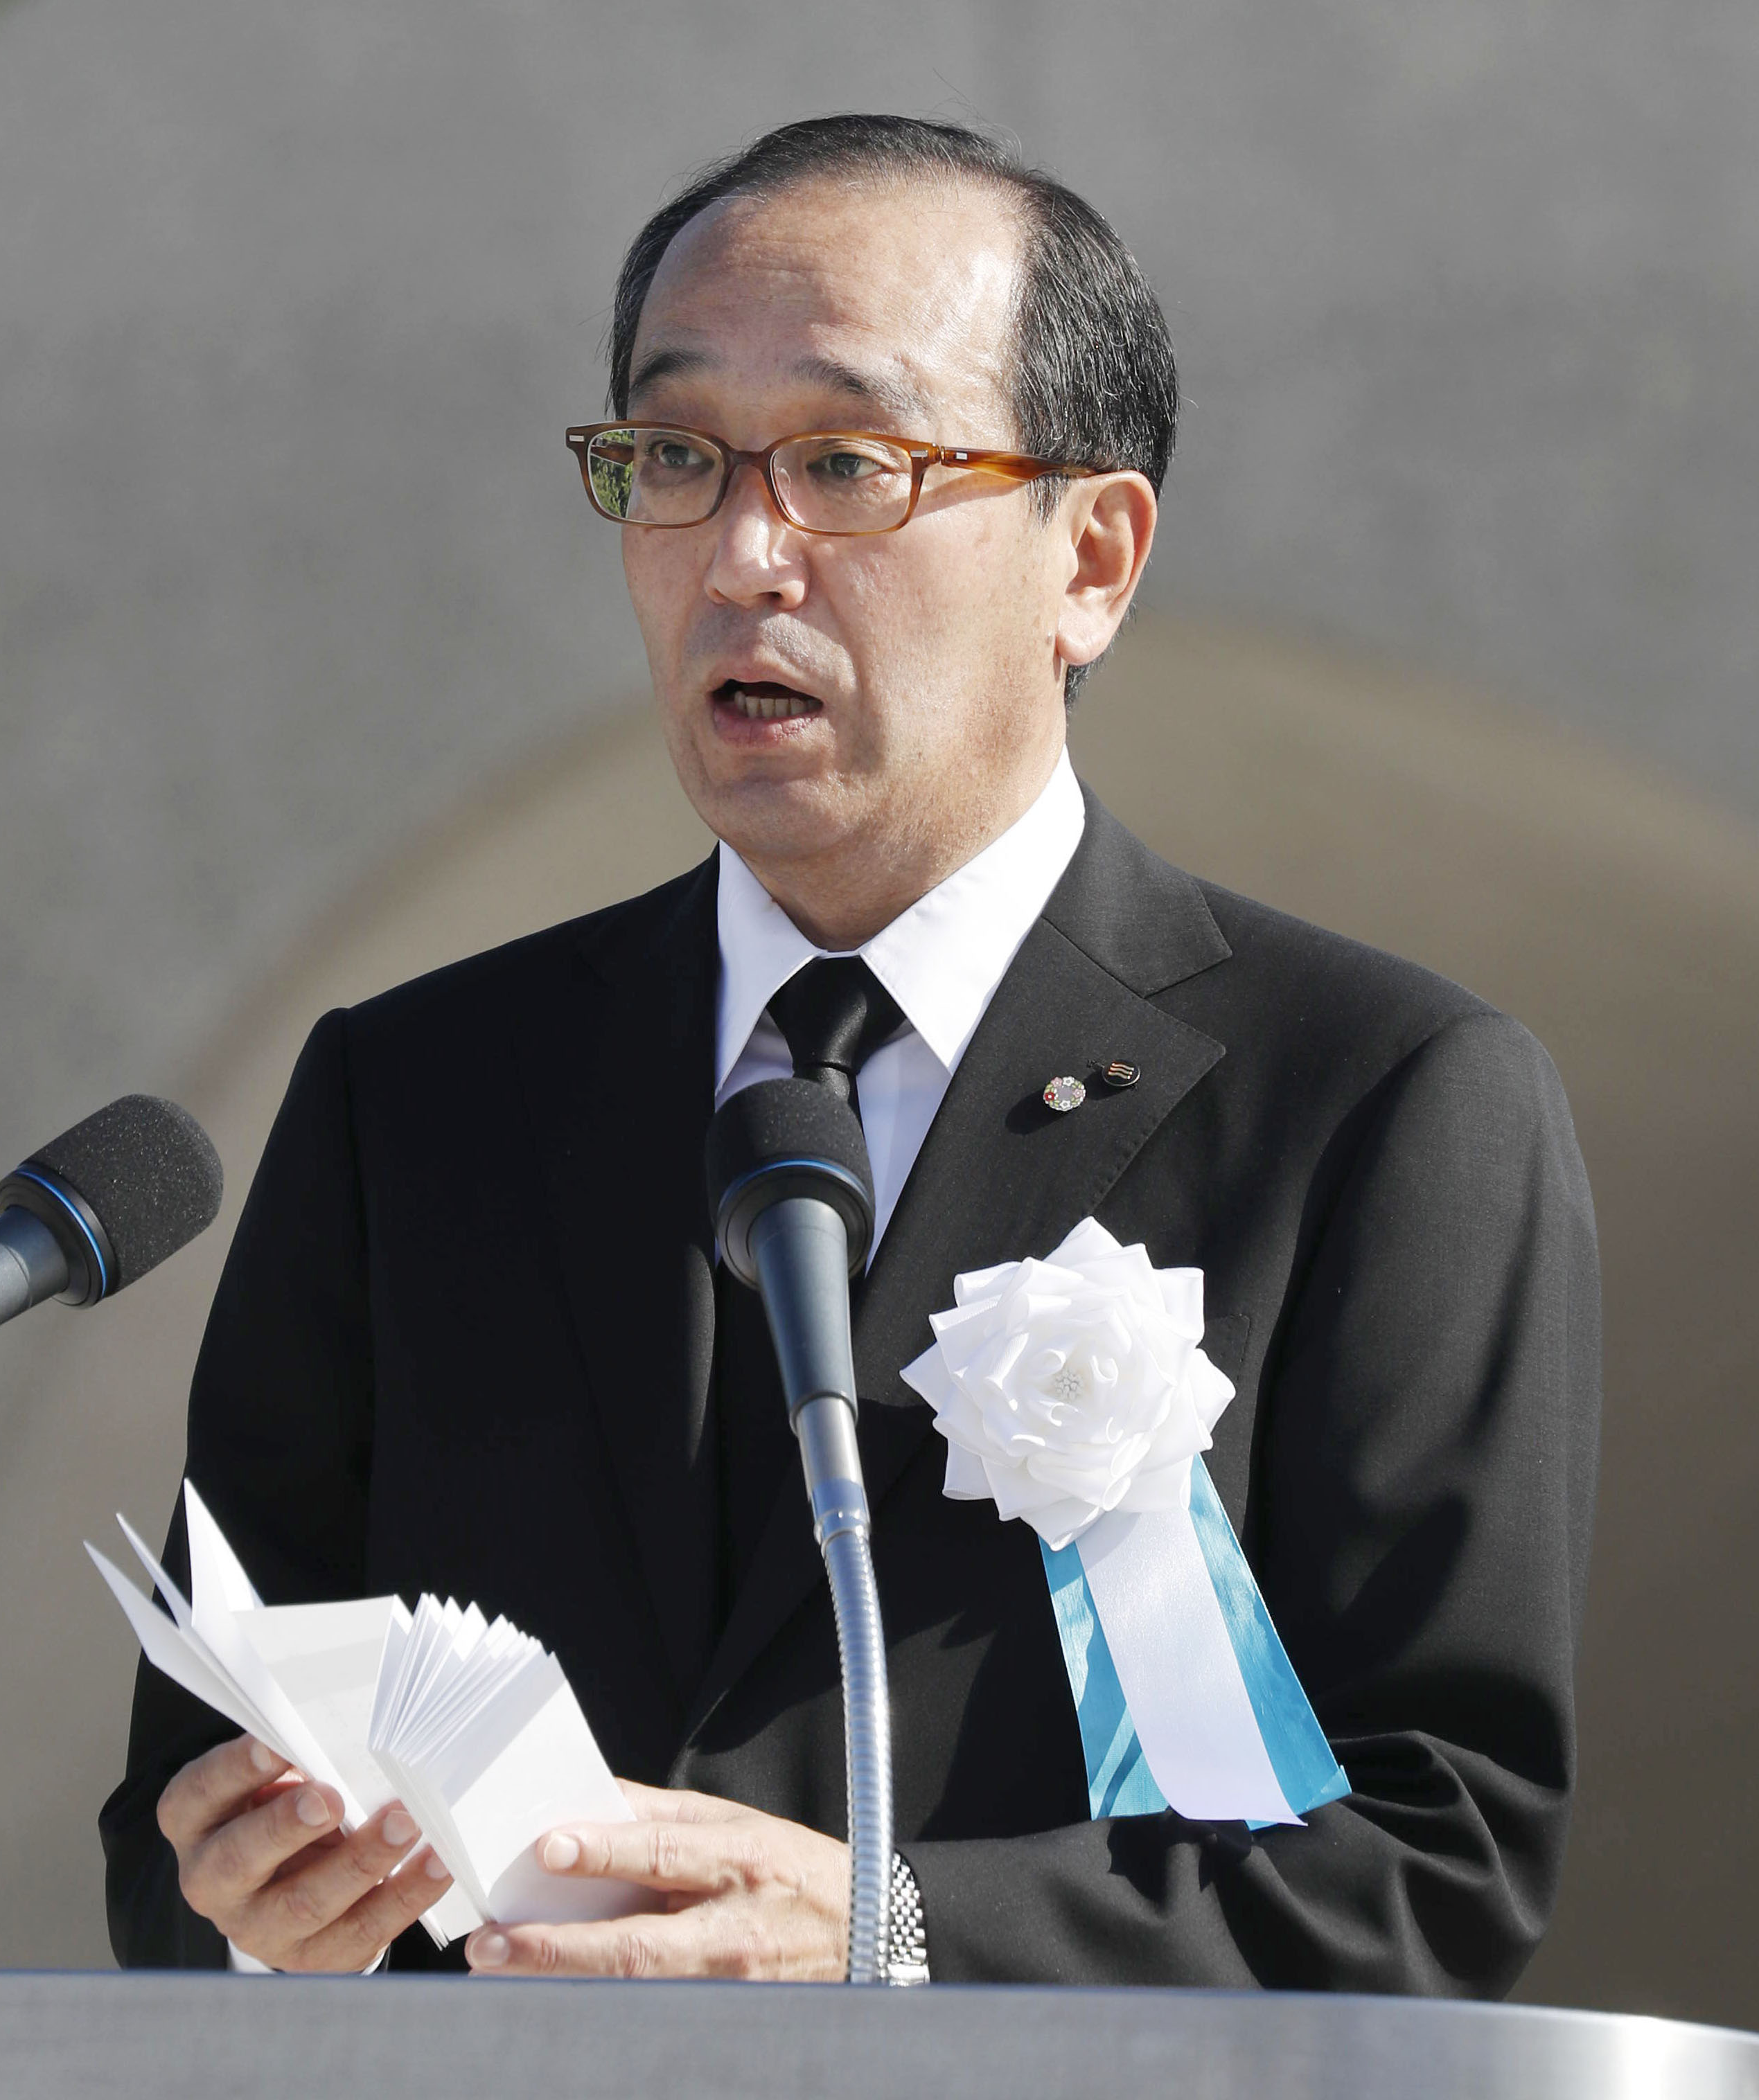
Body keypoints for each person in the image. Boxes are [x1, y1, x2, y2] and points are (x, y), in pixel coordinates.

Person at [100, 114, 1600, 1989]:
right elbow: (177, 1833)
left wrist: (894, 1935)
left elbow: (1429, 1873)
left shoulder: (1378, 1102)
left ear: (1094, 560)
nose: (742, 555)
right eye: (674, 458)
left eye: (845, 462)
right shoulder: (412, 1102)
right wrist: (253, 1912)